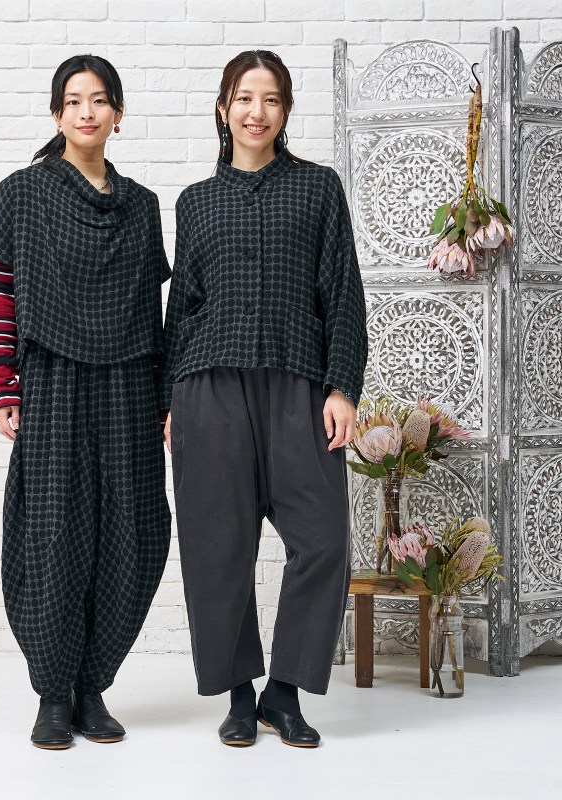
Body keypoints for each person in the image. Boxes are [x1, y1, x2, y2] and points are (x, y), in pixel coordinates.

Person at [161, 50, 368, 749]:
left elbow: (343, 293)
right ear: (223, 108)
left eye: (271, 99)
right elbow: (182, 309)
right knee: (217, 547)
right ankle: (238, 696)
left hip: (298, 385)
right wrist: (168, 401)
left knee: (323, 540)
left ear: (285, 111)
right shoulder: (196, 202)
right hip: (208, 387)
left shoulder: (317, 188)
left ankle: (284, 693)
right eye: (244, 98)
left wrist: (341, 386)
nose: (256, 111)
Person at [0, 54, 171, 750]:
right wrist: (5, 385)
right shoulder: (23, 193)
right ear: (57, 113)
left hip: (128, 385)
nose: (87, 112)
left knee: (132, 532)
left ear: (118, 113)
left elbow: (152, 313)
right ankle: (54, 694)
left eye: (100, 100)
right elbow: (3, 294)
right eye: (74, 100)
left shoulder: (142, 206)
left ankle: (93, 687)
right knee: (52, 534)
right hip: (52, 381)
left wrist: (163, 400)